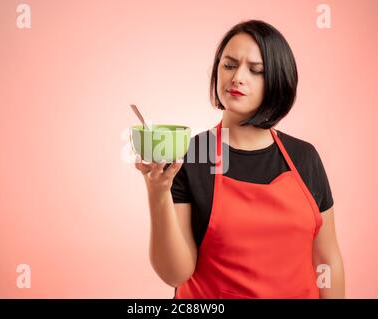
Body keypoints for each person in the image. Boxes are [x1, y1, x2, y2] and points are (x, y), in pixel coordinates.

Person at [134, 19, 345, 299]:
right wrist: (157, 192)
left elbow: (327, 259)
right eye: (229, 65)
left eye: (256, 71)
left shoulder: (304, 157)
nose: (237, 78)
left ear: (278, 80)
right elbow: (176, 273)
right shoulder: (192, 155)